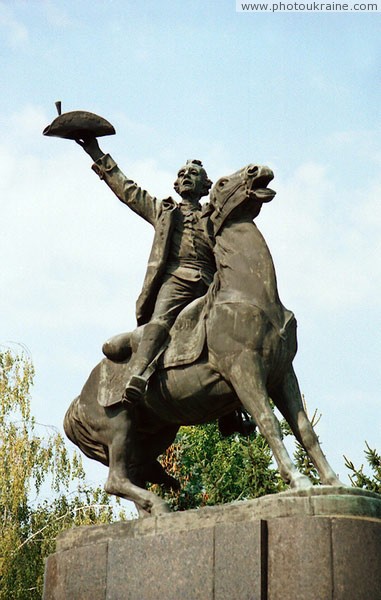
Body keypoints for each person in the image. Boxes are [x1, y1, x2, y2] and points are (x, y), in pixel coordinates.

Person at [78, 137, 216, 403]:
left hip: (211, 286)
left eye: (194, 174)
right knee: (160, 323)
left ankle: (232, 413)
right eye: (182, 174)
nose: (186, 176)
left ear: (205, 186)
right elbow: (128, 191)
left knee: (229, 333)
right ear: (176, 185)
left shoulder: (213, 217)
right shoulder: (165, 212)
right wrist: (95, 151)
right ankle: (138, 375)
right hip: (177, 279)